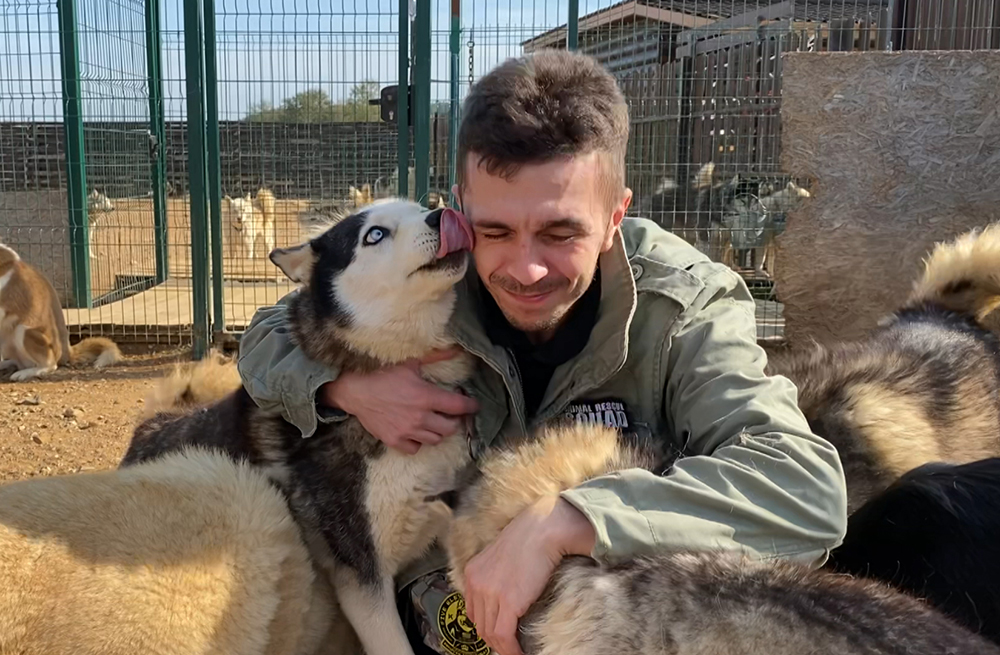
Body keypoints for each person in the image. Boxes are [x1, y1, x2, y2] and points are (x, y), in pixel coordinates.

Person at [237, 49, 847, 655]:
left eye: (561, 233)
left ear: (615, 217)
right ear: (461, 205)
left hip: (616, 610)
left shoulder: (683, 306)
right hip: (443, 599)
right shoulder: (436, 277)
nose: (525, 270)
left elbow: (806, 490)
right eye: (496, 231)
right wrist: (341, 386)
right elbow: (269, 331)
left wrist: (572, 519)